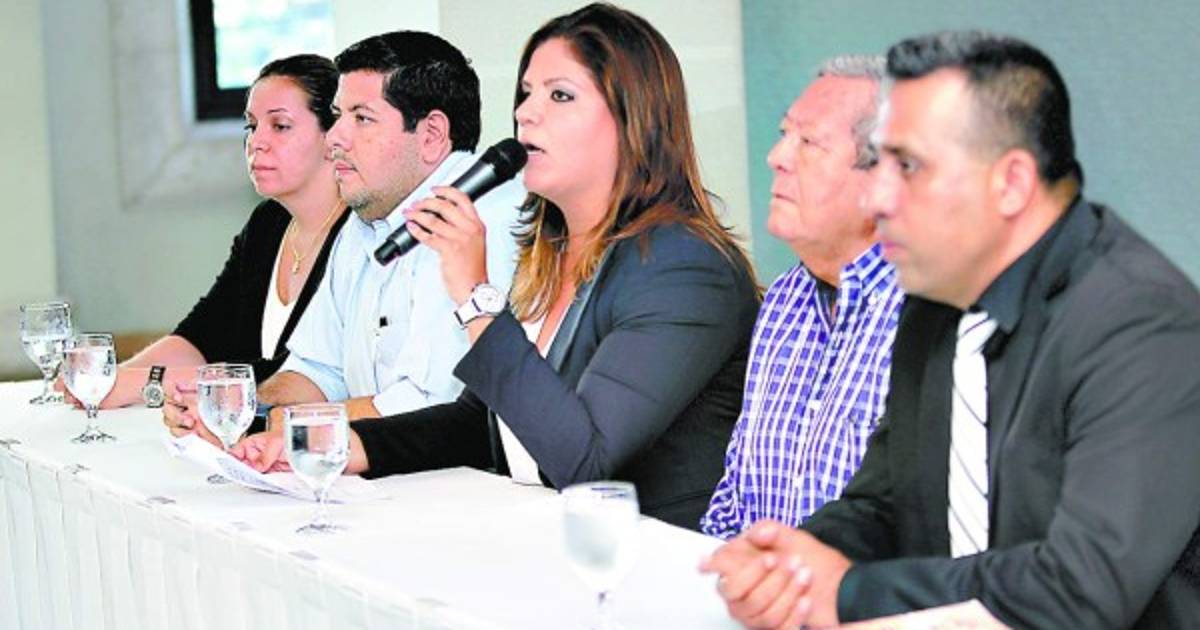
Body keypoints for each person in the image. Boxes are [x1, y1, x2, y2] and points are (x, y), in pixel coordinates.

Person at [701, 30, 1200, 629]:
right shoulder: (937, 296)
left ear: (1010, 184)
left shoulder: (1142, 324)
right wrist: (796, 563)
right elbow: (884, 501)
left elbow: (1080, 590)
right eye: (879, 162)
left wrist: (851, 591)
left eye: (907, 165)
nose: (878, 196)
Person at [234, 3, 760, 530]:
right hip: (544, 535)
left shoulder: (684, 268)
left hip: (651, 560)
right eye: (526, 93)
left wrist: (476, 298)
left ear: (631, 118)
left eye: (559, 95)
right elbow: (481, 424)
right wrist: (339, 445)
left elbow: (585, 460)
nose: (526, 113)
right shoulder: (550, 250)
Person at [166, 32, 524, 437]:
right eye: (338, 115)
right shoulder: (365, 219)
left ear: (431, 135)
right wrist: (238, 406)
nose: (334, 137)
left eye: (362, 118)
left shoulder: (482, 220)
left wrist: (273, 423)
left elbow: (428, 405)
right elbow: (316, 369)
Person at [68, 54, 348, 410]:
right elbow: (203, 335)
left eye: (279, 126)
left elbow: (301, 375)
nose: (256, 142)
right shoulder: (268, 223)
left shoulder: (357, 234)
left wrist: (147, 382)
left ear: (333, 135)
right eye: (251, 126)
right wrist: (111, 378)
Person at [701, 56, 904, 539]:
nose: (776, 156)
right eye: (784, 133)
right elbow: (736, 498)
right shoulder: (784, 299)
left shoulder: (932, 314)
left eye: (809, 142)